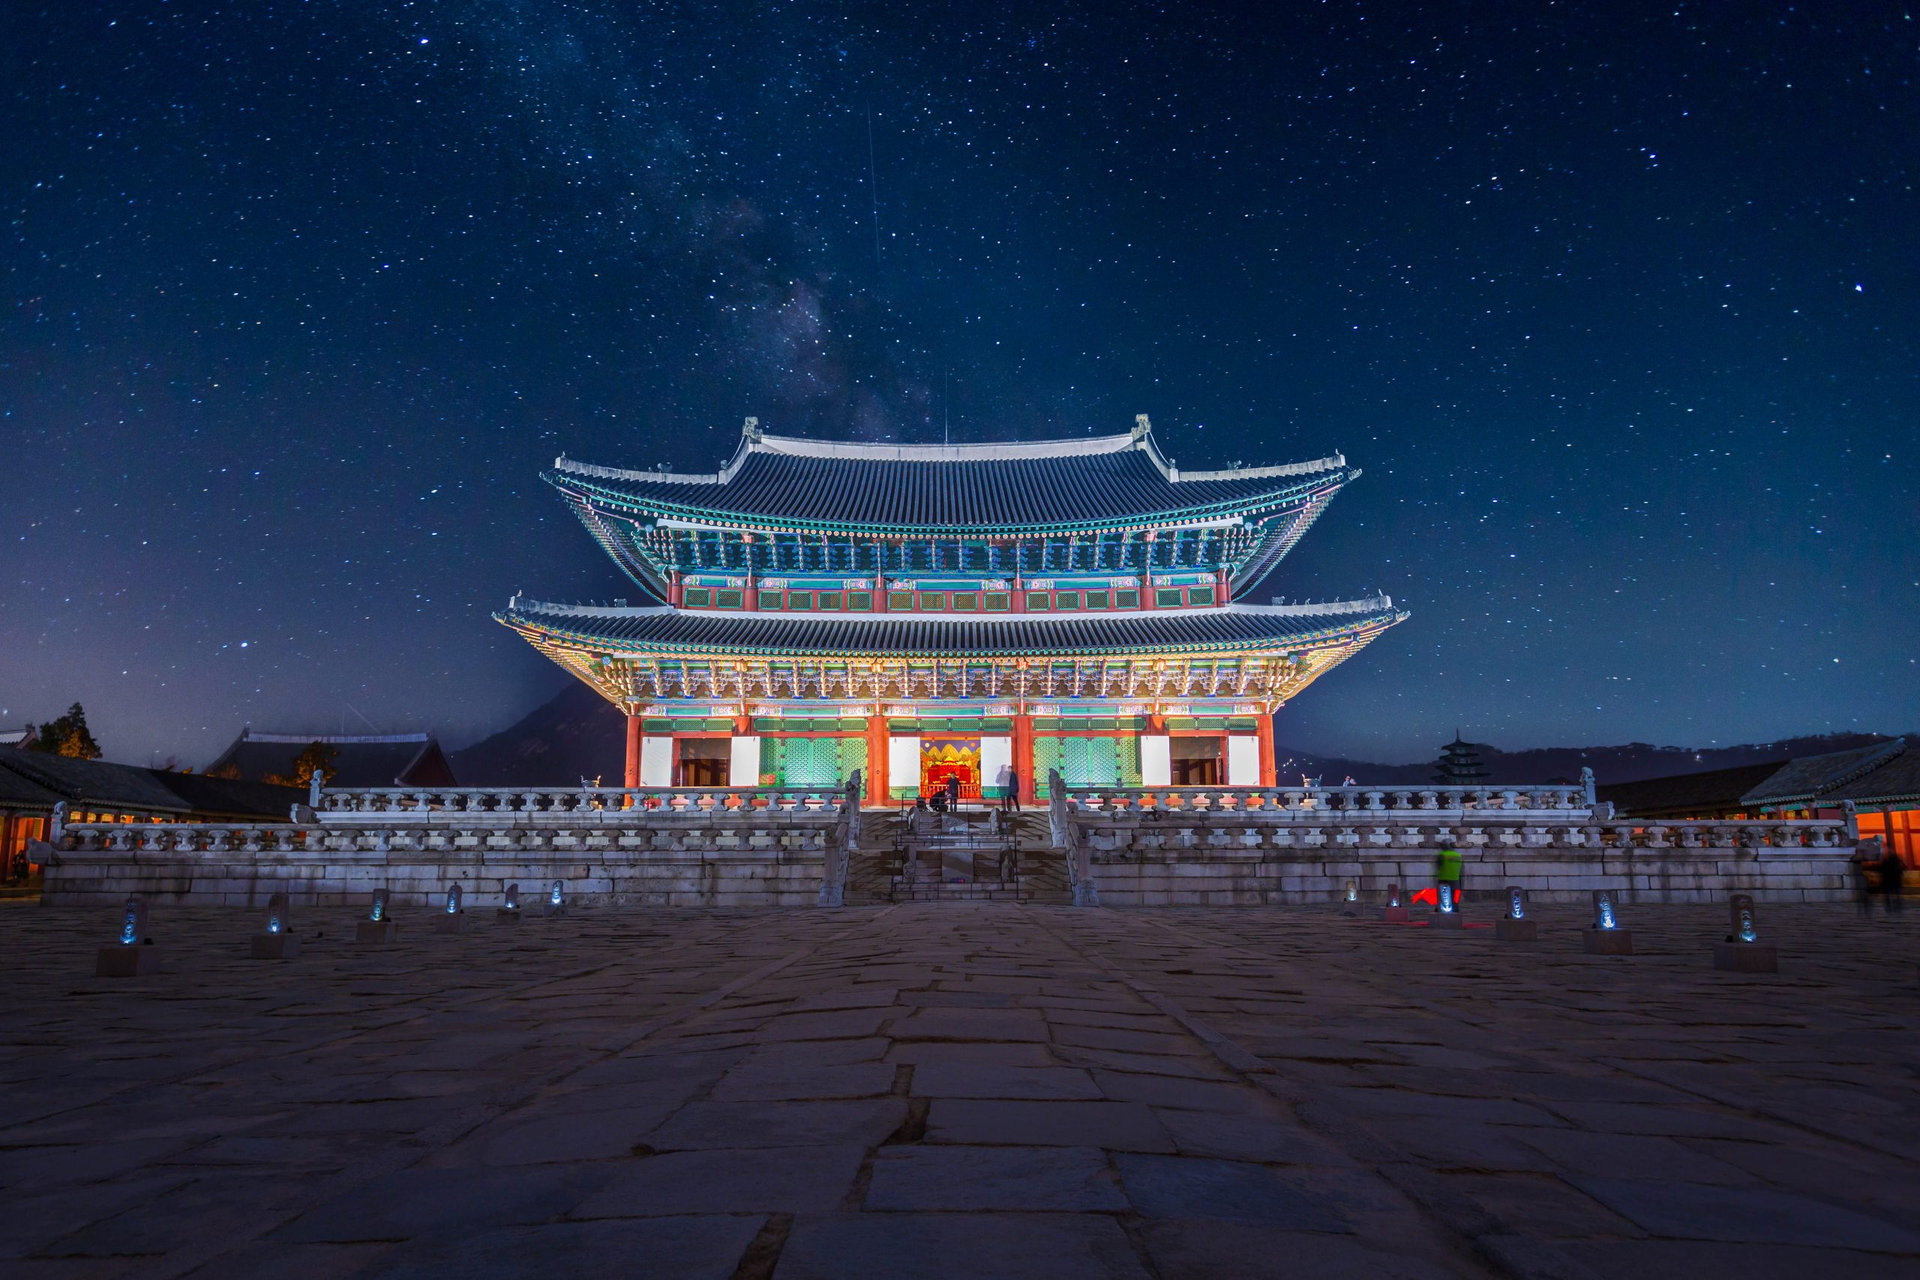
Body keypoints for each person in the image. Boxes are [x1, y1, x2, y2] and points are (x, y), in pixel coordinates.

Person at [1853, 838, 1882, 918]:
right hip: (1865, 877)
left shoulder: (1863, 854)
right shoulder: (1868, 853)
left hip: (1866, 877)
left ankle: (1865, 907)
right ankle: (1865, 907)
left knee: (1866, 893)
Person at [1435, 845, 1464, 913]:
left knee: (1443, 895)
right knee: (1455, 895)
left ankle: (1441, 908)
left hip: (1444, 878)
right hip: (1455, 878)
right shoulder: (1458, 855)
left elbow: (1438, 866)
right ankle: (1456, 908)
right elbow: (1462, 868)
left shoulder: (1442, 855)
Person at [1879, 840, 1906, 913]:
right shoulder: (1886, 857)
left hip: (1892, 877)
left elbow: (1901, 866)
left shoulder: (1893, 856)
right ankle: (1893, 907)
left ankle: (1895, 906)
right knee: (1891, 894)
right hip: (1890, 878)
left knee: (1893, 893)